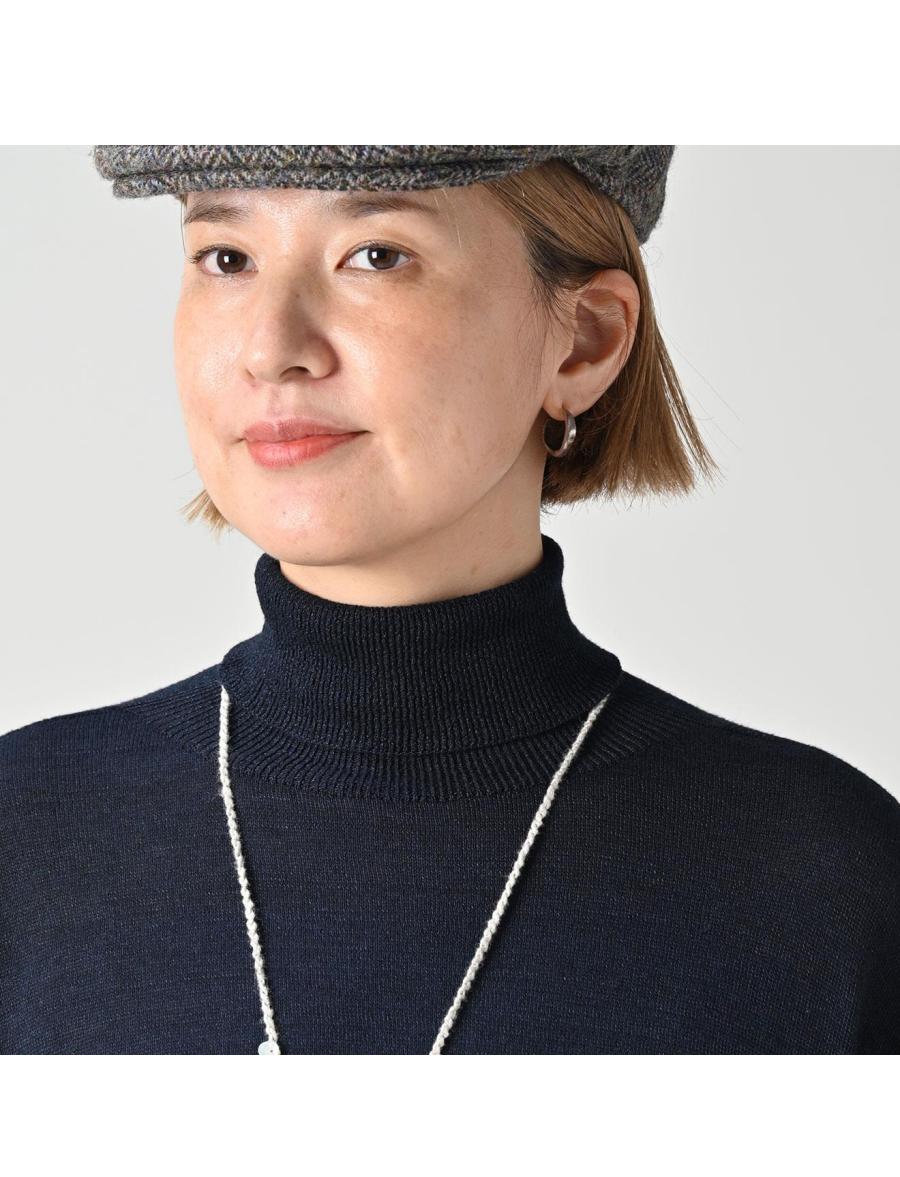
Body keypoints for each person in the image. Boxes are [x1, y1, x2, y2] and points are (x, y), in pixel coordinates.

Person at [1, 146, 896, 1054]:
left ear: (584, 341)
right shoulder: (25, 832)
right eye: (226, 258)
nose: (271, 349)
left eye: (376, 255)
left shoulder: (824, 882)